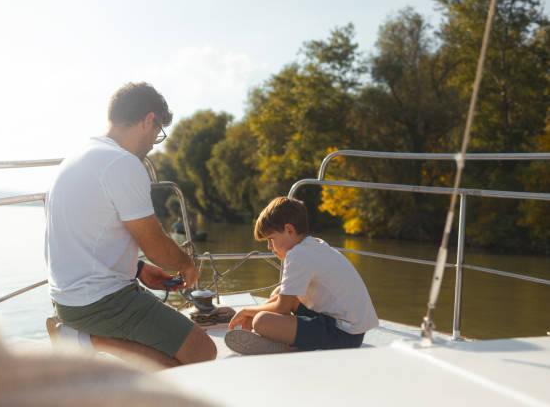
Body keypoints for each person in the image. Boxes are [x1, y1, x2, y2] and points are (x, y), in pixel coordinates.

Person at [44, 82, 216, 368]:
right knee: (202, 353)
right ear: (148, 120)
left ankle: (86, 342)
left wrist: (137, 268)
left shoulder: (77, 158)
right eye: (157, 133)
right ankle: (83, 341)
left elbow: (83, 237)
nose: (153, 143)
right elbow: (155, 246)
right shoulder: (121, 163)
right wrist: (187, 265)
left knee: (172, 361)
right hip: (100, 302)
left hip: (68, 299)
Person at [226, 197, 378, 354]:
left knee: (261, 321)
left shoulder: (297, 254)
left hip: (344, 335)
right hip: (347, 329)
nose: (269, 247)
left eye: (271, 239)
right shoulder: (313, 245)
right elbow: (285, 303)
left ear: (289, 230)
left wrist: (248, 311)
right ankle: (287, 337)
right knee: (278, 293)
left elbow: (282, 307)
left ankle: (288, 346)